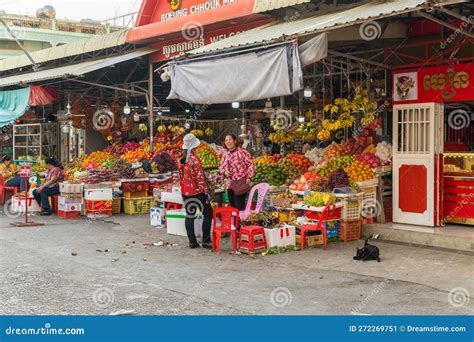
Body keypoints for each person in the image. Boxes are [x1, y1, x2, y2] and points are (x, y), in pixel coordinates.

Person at [179, 134, 213, 249]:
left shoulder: (181, 159)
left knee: (190, 215)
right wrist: (206, 192)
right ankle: (206, 240)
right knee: (208, 213)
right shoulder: (194, 159)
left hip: (186, 192)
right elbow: (200, 178)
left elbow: (180, 176)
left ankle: (192, 242)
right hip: (197, 193)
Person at [219, 134, 254, 211]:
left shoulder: (243, 152)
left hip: (241, 182)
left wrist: (249, 177)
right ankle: (235, 223)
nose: (228, 142)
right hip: (230, 184)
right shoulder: (225, 155)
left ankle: (239, 222)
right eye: (226, 140)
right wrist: (225, 172)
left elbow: (250, 165)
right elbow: (221, 167)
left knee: (239, 207)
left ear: (235, 141)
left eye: (230, 139)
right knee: (233, 208)